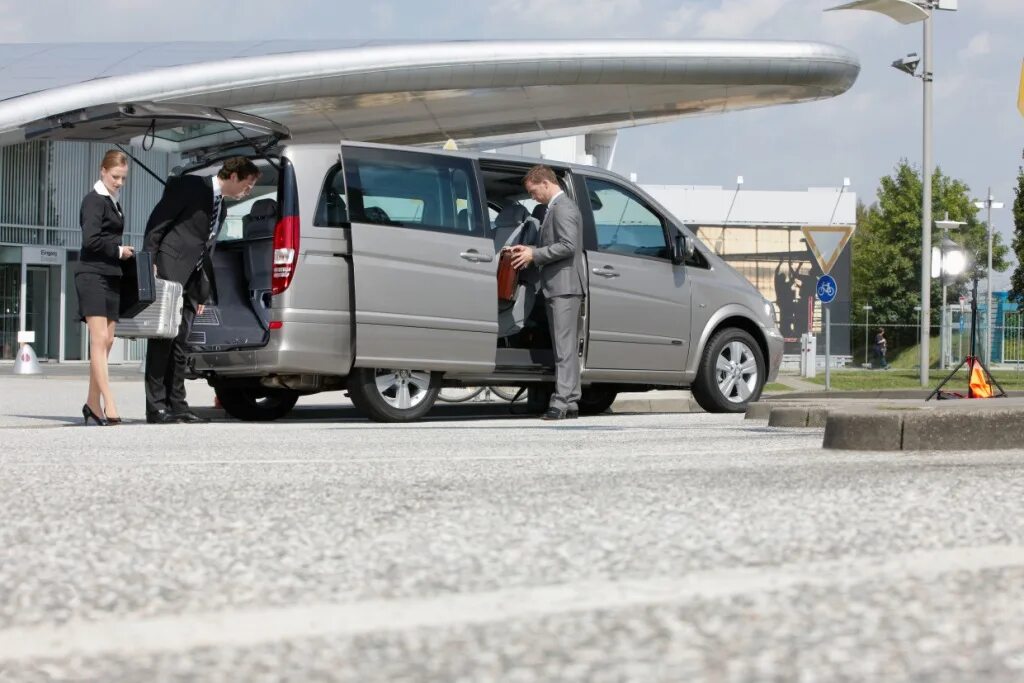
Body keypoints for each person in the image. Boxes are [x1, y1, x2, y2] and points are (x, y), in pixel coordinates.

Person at [143, 157, 260, 424]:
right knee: (163, 341)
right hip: (169, 269)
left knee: (182, 344)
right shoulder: (191, 187)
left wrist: (203, 291)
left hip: (193, 280)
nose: (248, 191)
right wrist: (149, 261)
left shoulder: (224, 209)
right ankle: (156, 407)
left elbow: (207, 250)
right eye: (248, 184)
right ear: (233, 176)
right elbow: (158, 222)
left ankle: (178, 406)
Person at [509, 165, 587, 420]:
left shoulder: (563, 207)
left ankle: (561, 402)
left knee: (564, 349)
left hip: (564, 287)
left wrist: (535, 254)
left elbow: (567, 245)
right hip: (562, 287)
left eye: (533, 192)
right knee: (566, 347)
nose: (533, 198)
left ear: (545, 183)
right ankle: (572, 401)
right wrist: (530, 249)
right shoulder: (556, 208)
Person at [75, 150, 135, 426]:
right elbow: (90, 240)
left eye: (123, 178)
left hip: (111, 276)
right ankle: (108, 402)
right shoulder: (94, 201)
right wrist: (119, 250)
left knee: (108, 342)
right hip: (92, 275)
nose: (119, 182)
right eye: (115, 177)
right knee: (99, 341)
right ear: (102, 171)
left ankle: (91, 403)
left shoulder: (113, 202)